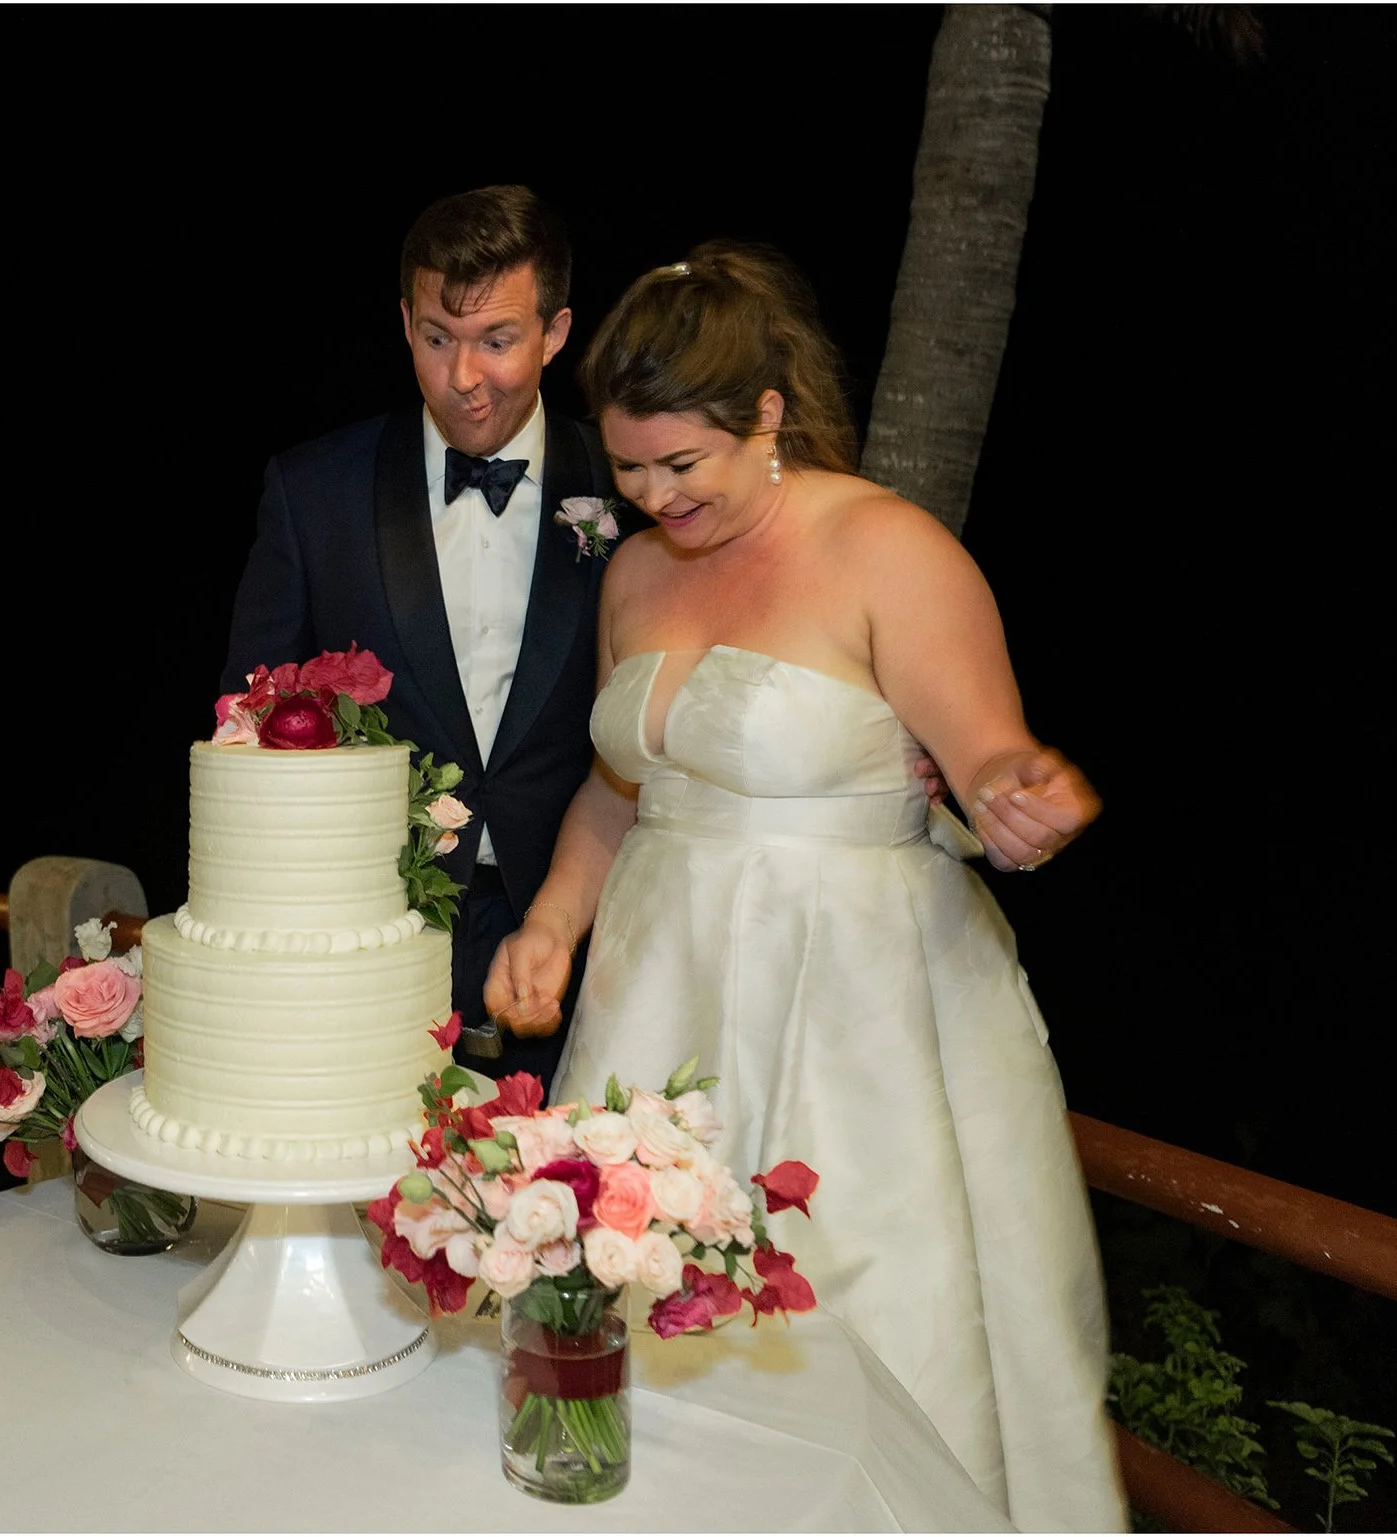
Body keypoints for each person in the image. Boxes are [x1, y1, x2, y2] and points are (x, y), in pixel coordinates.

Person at [482, 242, 1128, 1531]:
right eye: (627, 466)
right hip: (655, 1001)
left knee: (858, 1317)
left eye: (685, 464)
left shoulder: (888, 548)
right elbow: (624, 785)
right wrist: (552, 920)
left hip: (855, 1013)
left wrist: (1020, 792)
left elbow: (987, 757)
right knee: (640, 1299)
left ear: (765, 414)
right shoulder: (633, 574)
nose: (658, 496)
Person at [215, 185, 615, 1089]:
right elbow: (245, 726)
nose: (462, 376)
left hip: (582, 937)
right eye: (438, 337)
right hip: (369, 940)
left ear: (555, 334)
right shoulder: (313, 493)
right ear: (403, 321)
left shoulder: (628, 491)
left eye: (497, 341)